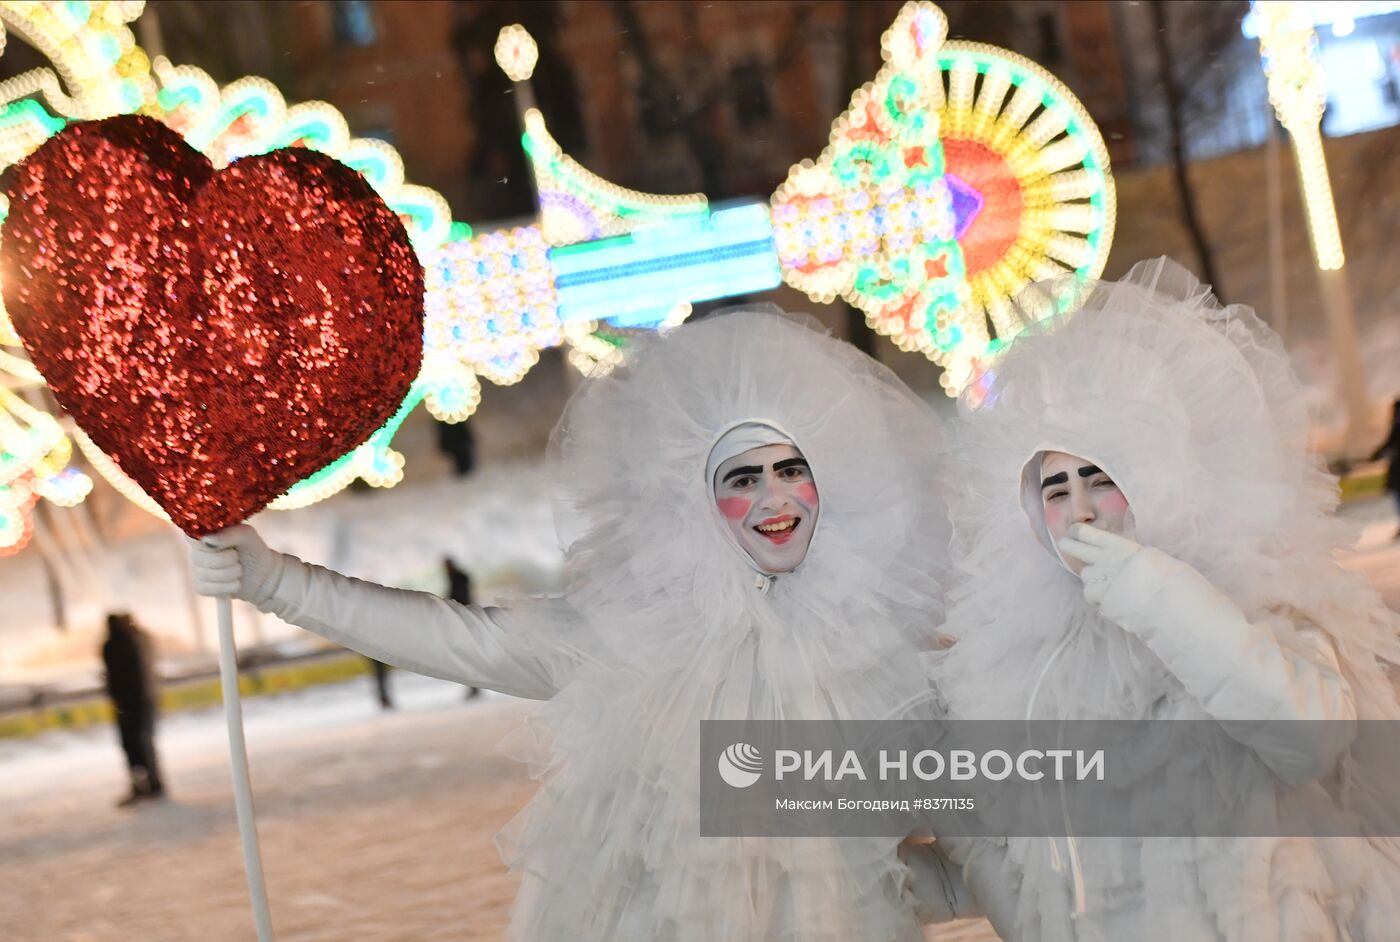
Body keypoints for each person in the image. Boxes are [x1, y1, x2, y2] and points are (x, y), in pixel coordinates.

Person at [190, 308, 971, 940]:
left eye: (791, 469)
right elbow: (456, 640)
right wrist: (274, 582)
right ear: (696, 502)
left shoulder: (884, 651)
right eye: (742, 478)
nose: (774, 499)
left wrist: (877, 895)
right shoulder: (632, 639)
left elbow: (994, 833)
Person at [923, 258, 1400, 940]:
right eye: (1055, 491)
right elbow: (1012, 852)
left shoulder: (1254, 595)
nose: (1080, 511)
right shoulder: (1022, 661)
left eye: (1100, 478)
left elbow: (1308, 739)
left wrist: (1153, 592)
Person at [101, 612, 166, 806]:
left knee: (133, 745)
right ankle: (153, 783)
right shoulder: (141, 640)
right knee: (144, 743)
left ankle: (144, 784)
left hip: (128, 704)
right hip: (144, 700)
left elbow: (117, 677)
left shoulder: (115, 644)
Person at [443, 558, 481, 699]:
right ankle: (474, 686)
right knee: (469, 653)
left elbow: (458, 597)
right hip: (466, 616)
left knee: (468, 653)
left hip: (463, 617)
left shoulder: (457, 578)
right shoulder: (459, 577)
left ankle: (474, 686)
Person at [1368, 397, 1400, 539]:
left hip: (1398, 468)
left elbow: (1389, 444)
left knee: (1398, 496)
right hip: (1397, 467)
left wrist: (1374, 456)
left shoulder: (1397, 424)